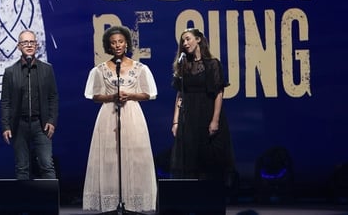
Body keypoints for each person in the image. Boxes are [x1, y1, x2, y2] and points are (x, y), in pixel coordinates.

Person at [82, 25, 158, 212]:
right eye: (113, 42)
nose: (117, 45)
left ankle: (132, 202)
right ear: (108, 45)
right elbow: (93, 95)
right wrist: (111, 97)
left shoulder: (140, 68)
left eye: (121, 42)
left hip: (132, 115)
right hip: (109, 116)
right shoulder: (100, 69)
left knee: (135, 158)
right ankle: (112, 200)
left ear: (126, 44)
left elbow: (149, 93)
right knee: (110, 159)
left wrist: (130, 95)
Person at [170, 27, 235, 181]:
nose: (185, 43)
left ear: (198, 39)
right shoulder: (183, 65)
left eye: (188, 39)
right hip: (189, 117)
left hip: (207, 113)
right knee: (190, 158)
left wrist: (215, 120)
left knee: (209, 159)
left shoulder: (212, 64)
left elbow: (219, 93)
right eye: (183, 41)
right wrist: (176, 121)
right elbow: (180, 95)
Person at [0, 30, 59, 179]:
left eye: (32, 42)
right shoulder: (10, 72)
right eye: (25, 42)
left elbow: (53, 97)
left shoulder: (47, 69)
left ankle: (50, 202)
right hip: (19, 125)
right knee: (22, 167)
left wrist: (52, 121)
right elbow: (5, 101)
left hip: (41, 124)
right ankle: (24, 202)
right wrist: (6, 126)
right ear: (18, 46)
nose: (29, 45)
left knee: (47, 165)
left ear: (37, 45)